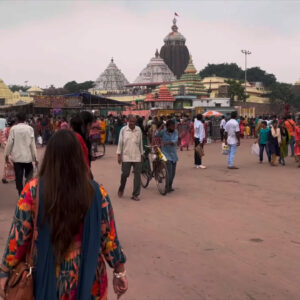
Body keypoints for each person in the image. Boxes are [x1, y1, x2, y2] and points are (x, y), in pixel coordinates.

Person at [0, 130, 128, 300]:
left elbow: (19, 236)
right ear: (79, 158)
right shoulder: (97, 193)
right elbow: (109, 239)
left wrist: (5, 271)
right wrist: (119, 272)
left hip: (46, 274)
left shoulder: (33, 191)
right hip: (88, 277)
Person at [4, 112, 38, 195]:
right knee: (29, 177)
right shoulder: (30, 129)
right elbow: (32, 145)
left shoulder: (14, 129)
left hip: (17, 158)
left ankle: (20, 193)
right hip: (28, 158)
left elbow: (9, 144)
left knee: (18, 178)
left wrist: (6, 155)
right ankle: (28, 192)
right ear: (25, 119)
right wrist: (35, 158)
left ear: (16, 119)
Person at [117, 115, 144, 201]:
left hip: (137, 156)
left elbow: (140, 143)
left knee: (137, 176)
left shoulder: (138, 130)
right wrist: (119, 155)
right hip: (126, 156)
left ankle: (135, 194)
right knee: (125, 174)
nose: (132, 123)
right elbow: (120, 143)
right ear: (127, 121)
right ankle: (121, 188)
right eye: (130, 121)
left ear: (135, 122)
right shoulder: (123, 130)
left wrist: (142, 154)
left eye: (134, 122)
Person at [155, 119, 178, 192]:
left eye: (174, 126)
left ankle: (170, 186)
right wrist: (161, 126)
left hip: (173, 155)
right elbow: (156, 134)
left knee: (173, 174)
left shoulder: (175, 132)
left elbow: (174, 141)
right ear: (167, 127)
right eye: (172, 126)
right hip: (166, 155)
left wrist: (166, 143)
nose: (174, 127)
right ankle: (167, 186)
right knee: (169, 173)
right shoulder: (163, 132)